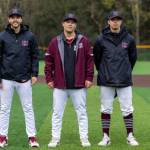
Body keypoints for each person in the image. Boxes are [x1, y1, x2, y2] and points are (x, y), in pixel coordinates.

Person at [45, 13, 94, 147]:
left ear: (75, 25)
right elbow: (48, 62)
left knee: (82, 113)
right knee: (56, 113)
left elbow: (90, 61)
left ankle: (84, 138)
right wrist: (49, 78)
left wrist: (89, 77)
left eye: (72, 22)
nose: (70, 24)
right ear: (63, 24)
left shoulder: (83, 41)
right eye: (67, 21)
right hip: (60, 85)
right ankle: (55, 138)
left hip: (78, 85)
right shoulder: (55, 41)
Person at [93, 10, 139, 146]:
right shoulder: (101, 39)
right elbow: (97, 59)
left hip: (124, 80)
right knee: (105, 108)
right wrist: (104, 72)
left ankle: (130, 136)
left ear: (121, 22)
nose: (115, 21)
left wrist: (125, 71)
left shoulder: (129, 38)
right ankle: (106, 137)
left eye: (118, 19)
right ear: (108, 22)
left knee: (127, 108)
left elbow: (133, 58)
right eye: (113, 19)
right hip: (106, 80)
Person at [0, 7, 39, 148]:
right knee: (4, 108)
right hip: (6, 79)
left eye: (17, 17)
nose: (15, 19)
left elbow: (35, 56)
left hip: (24, 79)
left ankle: (32, 138)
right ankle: (3, 137)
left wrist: (34, 73)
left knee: (28, 108)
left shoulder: (29, 36)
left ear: (21, 19)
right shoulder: (2, 36)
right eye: (12, 17)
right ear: (9, 19)